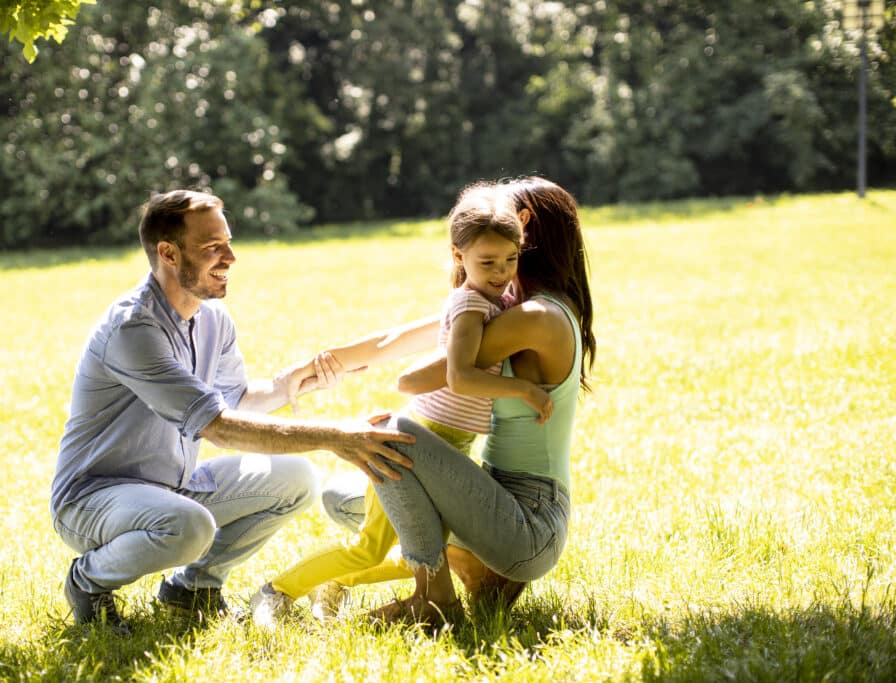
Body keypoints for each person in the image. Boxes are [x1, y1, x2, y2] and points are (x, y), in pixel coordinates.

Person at [50, 190, 415, 635]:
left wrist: (289, 382)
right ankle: (86, 582)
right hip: (94, 499)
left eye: (228, 241)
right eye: (212, 247)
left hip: (172, 486)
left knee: (295, 478)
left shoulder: (212, 318)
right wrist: (338, 436)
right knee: (189, 526)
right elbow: (220, 428)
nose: (231, 257)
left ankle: (193, 589)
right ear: (168, 252)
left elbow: (235, 400)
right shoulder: (134, 329)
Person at [247, 183, 554, 627]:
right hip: (413, 443)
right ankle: (277, 591)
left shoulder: (495, 298)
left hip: (444, 446)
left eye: (510, 260)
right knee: (370, 547)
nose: (501, 272)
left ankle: (335, 585)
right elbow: (459, 375)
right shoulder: (470, 304)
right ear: (458, 255)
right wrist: (525, 392)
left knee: (428, 547)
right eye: (487, 262)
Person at [325, 176, 596, 626]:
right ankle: (471, 571)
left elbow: (416, 378)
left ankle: (433, 599)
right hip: (497, 501)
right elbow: (402, 337)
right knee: (343, 497)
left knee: (390, 435)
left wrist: (462, 318)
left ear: (524, 232)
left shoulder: (533, 317)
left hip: (528, 523)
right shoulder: (508, 304)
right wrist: (320, 366)